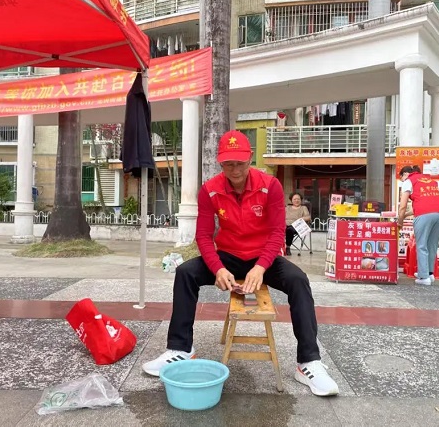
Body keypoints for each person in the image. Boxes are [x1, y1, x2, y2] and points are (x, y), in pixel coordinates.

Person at [142, 130, 339, 397]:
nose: (235, 170)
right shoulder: (210, 190)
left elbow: (277, 233)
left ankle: (308, 362)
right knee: (185, 272)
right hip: (228, 257)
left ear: (250, 159)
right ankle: (180, 348)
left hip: (263, 258)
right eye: (228, 164)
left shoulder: (270, 185)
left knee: (298, 280)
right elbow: (203, 236)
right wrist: (218, 269)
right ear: (220, 163)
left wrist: (261, 267)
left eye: (240, 163)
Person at [397, 165, 439, 286]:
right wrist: (405, 215)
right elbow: (426, 202)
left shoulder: (408, 181)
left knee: (421, 244)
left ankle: (423, 277)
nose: (402, 181)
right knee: (432, 244)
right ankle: (429, 274)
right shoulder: (428, 180)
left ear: (405, 174)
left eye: (401, 177)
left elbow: (403, 205)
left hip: (425, 213)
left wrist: (400, 221)